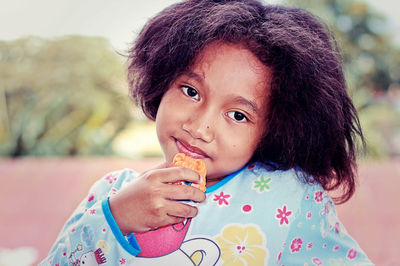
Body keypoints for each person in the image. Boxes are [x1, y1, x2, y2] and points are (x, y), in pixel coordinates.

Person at [41, 0, 374, 265]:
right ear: (162, 82)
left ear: (275, 129)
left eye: (238, 115)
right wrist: (113, 219)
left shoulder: (291, 197)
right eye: (190, 91)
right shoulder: (111, 193)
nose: (199, 128)